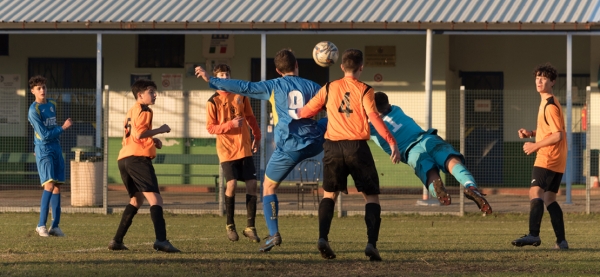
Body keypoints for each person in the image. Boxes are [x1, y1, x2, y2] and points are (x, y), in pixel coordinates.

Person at [195, 49, 327, 252]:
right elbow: (334, 105)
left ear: (277, 70)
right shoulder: (313, 86)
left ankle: (274, 234)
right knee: (327, 122)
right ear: (297, 65)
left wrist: (211, 80)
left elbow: (244, 86)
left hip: (289, 147)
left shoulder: (273, 86)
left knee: (268, 187)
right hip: (314, 142)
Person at [297, 49, 400, 261]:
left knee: (329, 195)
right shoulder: (365, 90)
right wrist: (392, 142)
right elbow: (374, 117)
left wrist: (294, 115)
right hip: (357, 147)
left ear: (342, 66)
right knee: (371, 196)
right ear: (361, 67)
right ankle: (371, 244)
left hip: (332, 146)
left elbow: (307, 112)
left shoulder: (328, 88)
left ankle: (323, 238)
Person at [369, 91, 492, 214]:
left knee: (428, 171)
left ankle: (437, 188)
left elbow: (358, 125)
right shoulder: (396, 109)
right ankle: (470, 186)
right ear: (388, 104)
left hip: (410, 151)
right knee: (449, 158)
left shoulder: (371, 127)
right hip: (426, 138)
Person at [107, 79, 180, 253]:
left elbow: (135, 134)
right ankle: (161, 240)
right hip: (137, 159)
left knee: (136, 199)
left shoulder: (131, 111)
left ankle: (117, 240)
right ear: (140, 95)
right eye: (151, 92)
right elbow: (139, 133)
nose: (155, 95)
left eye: (155, 92)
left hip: (124, 158)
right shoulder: (145, 110)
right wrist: (160, 129)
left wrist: (152, 140)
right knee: (156, 199)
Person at [511, 63, 568, 250]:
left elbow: (558, 134)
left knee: (535, 192)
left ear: (552, 82)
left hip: (548, 156)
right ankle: (561, 241)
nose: (539, 81)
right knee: (550, 198)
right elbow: (550, 130)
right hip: (558, 158)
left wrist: (535, 145)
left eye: (543, 78)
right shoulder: (547, 101)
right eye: (537, 77)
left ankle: (533, 235)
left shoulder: (550, 104)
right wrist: (531, 133)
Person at [206, 64, 262, 242]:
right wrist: (230, 125)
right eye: (222, 75)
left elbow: (250, 117)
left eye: (227, 74)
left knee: (252, 184)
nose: (225, 77)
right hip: (226, 150)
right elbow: (210, 128)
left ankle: (250, 227)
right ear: (216, 79)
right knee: (231, 184)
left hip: (244, 147)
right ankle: (230, 224)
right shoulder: (212, 101)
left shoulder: (240, 95)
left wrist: (257, 135)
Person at [28, 75, 72, 237]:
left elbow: (50, 128)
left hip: (56, 148)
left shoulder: (52, 104)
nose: (42, 90)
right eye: (39, 88)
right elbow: (44, 134)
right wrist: (63, 127)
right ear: (33, 91)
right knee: (49, 184)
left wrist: (59, 130)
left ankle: (55, 226)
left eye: (44, 87)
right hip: (44, 149)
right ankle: (41, 225)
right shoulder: (34, 110)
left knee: (58, 185)